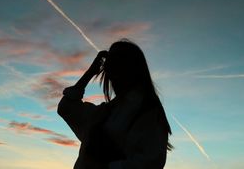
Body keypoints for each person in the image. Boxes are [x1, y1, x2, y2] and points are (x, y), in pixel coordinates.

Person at [58, 39, 173, 169]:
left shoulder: (148, 111)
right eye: (110, 61)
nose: (110, 66)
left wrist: (104, 166)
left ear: (132, 67)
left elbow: (150, 162)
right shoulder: (106, 111)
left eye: (118, 60)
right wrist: (90, 73)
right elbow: (66, 108)